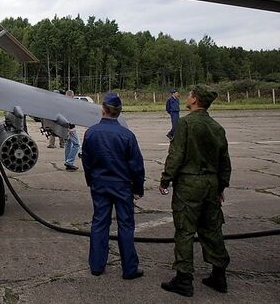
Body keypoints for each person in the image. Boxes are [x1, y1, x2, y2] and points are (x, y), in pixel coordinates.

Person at [159, 84, 231, 297]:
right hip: (211, 184)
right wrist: (221, 186)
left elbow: (176, 155)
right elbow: (224, 161)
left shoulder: (185, 124)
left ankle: (183, 279)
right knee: (212, 229)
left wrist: (165, 180)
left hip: (189, 185)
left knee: (185, 230)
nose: (186, 97)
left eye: (189, 95)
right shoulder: (216, 127)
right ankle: (219, 276)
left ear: (195, 99)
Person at [82, 92, 145, 280]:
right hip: (122, 186)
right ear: (119, 112)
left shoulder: (91, 133)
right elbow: (137, 166)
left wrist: (91, 181)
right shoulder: (127, 135)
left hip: (100, 185)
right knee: (126, 225)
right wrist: (138, 189)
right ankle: (129, 269)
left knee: (100, 223)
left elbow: (87, 161)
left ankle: (96, 265)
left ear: (103, 109)